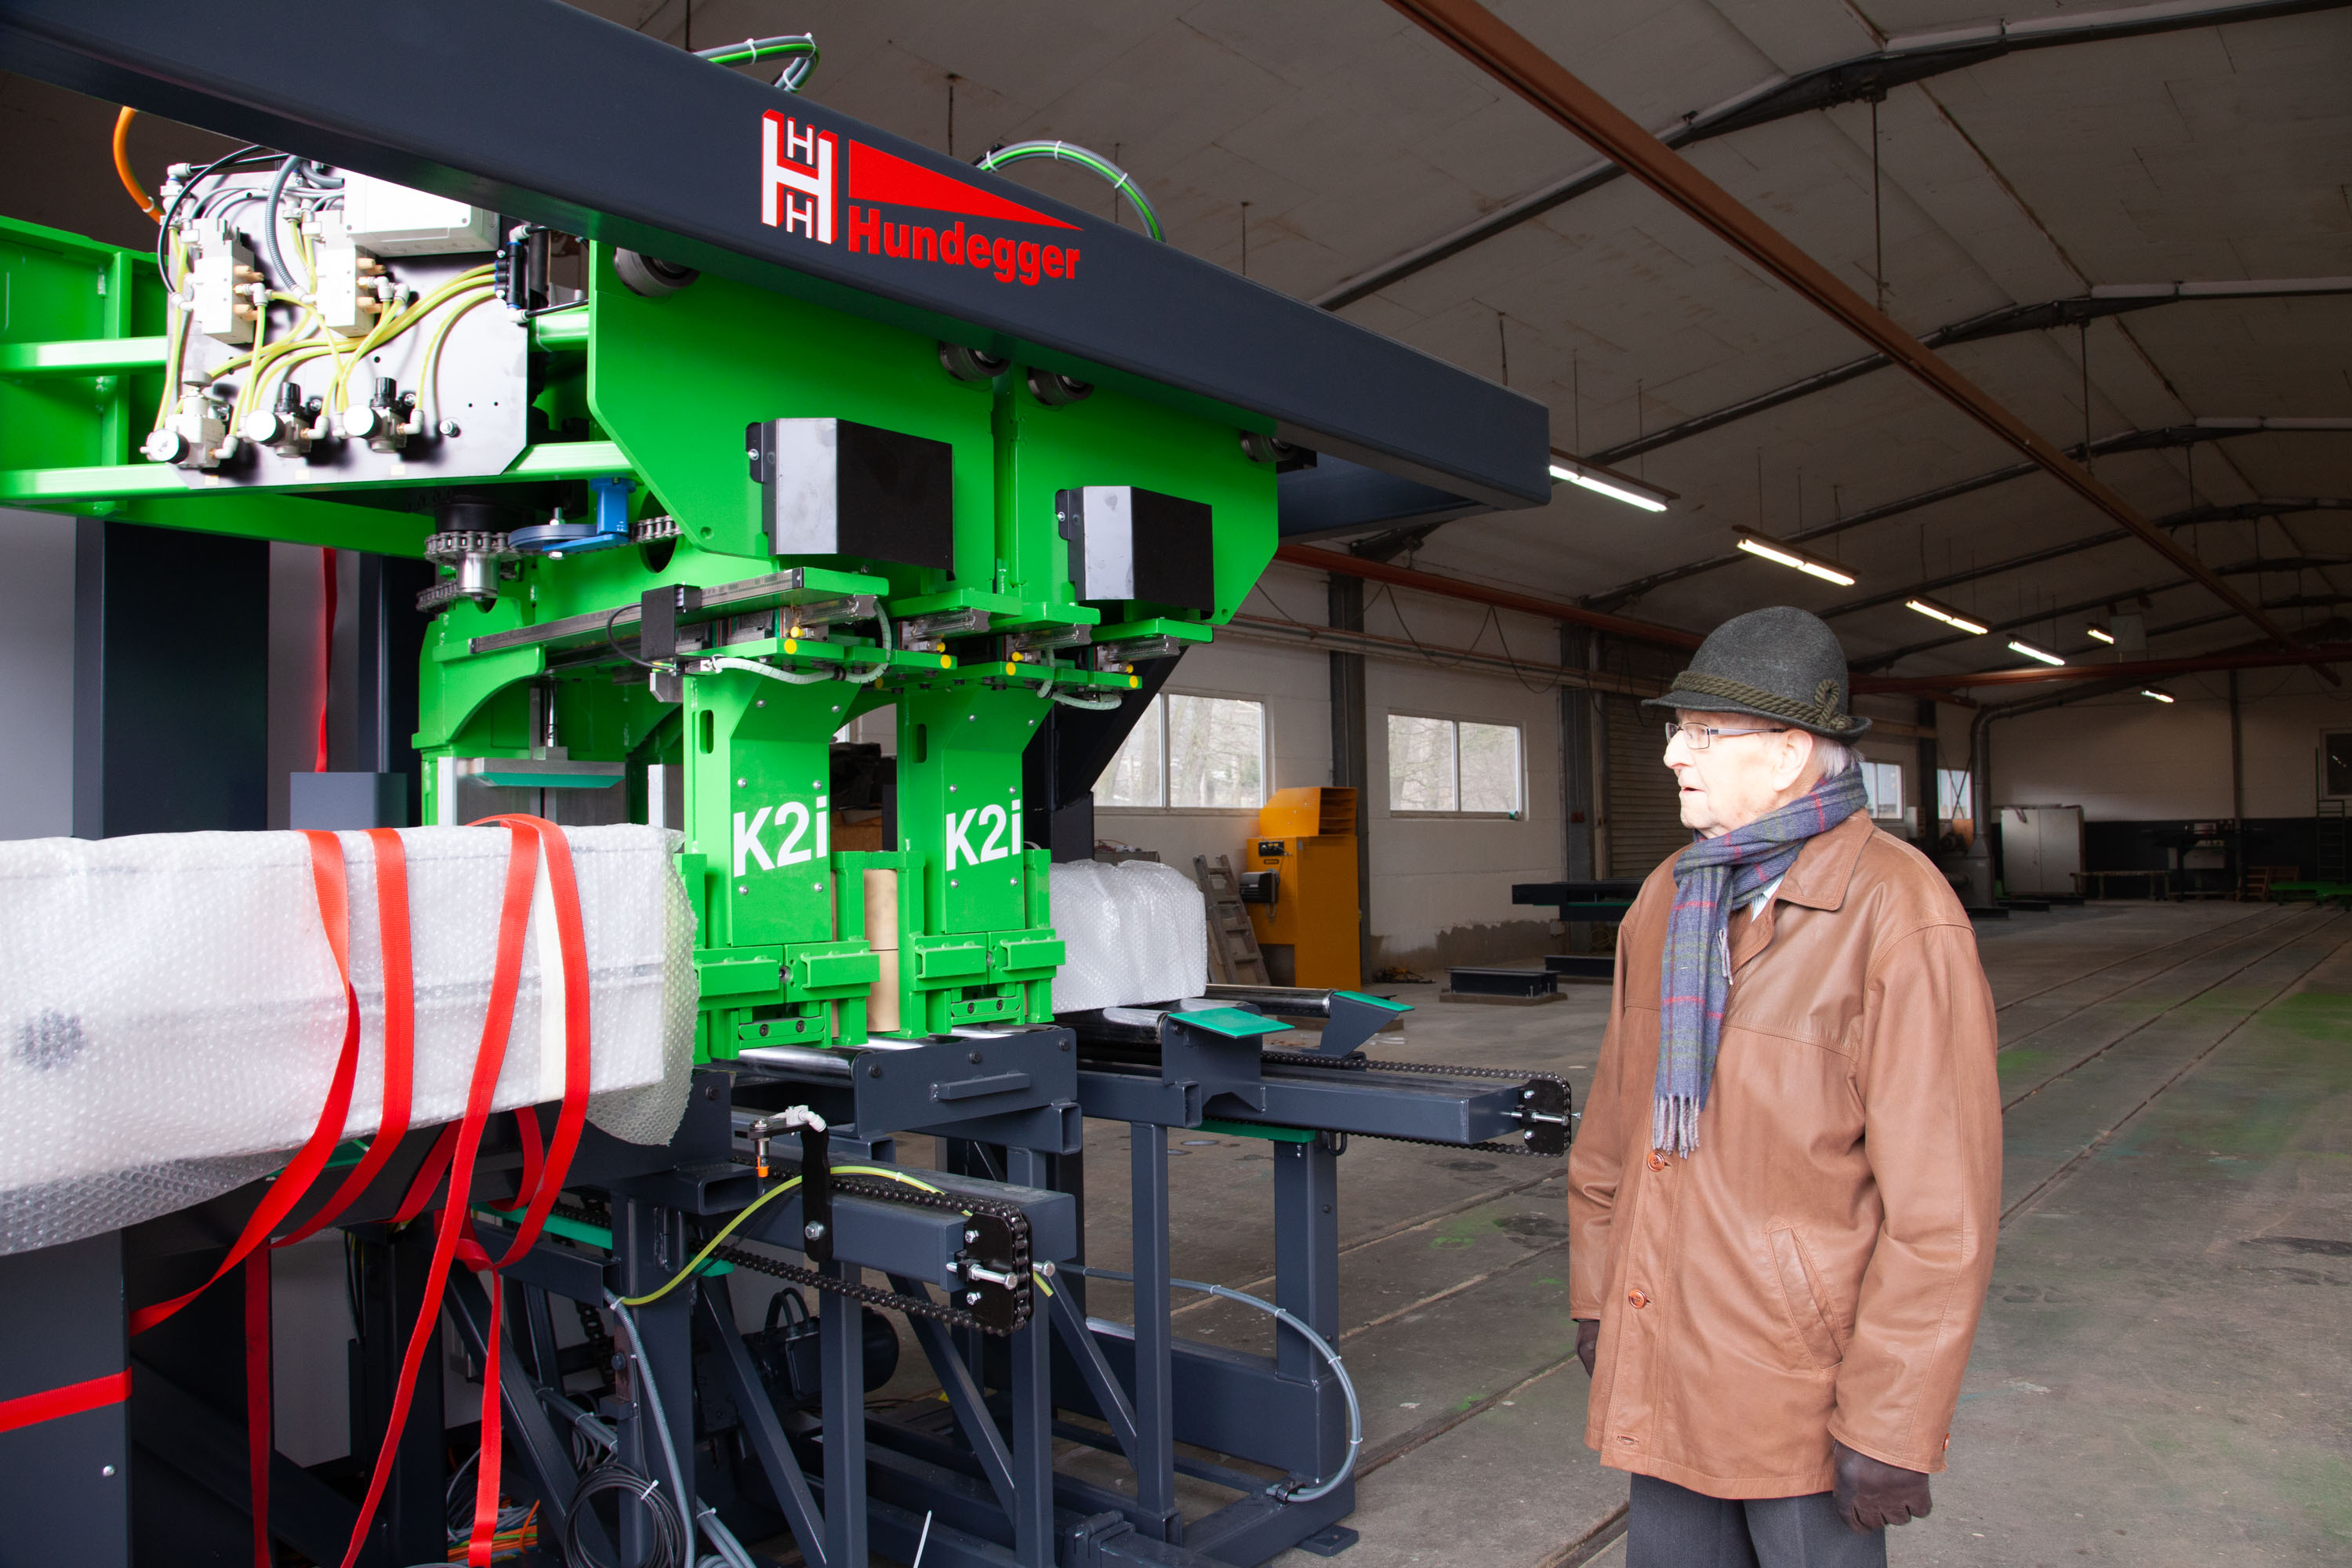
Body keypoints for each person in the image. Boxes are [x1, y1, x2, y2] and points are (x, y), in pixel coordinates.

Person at [1567, 606, 2001, 1567]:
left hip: (1801, 1387)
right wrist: (1601, 1296)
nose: (1675, 754)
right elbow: (1612, 1132)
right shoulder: (1669, 897)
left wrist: (1890, 1423)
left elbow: (1942, 1212)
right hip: (1668, 1344)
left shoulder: (1899, 913)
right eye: (1676, 730)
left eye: (1705, 734)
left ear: (1791, 752)